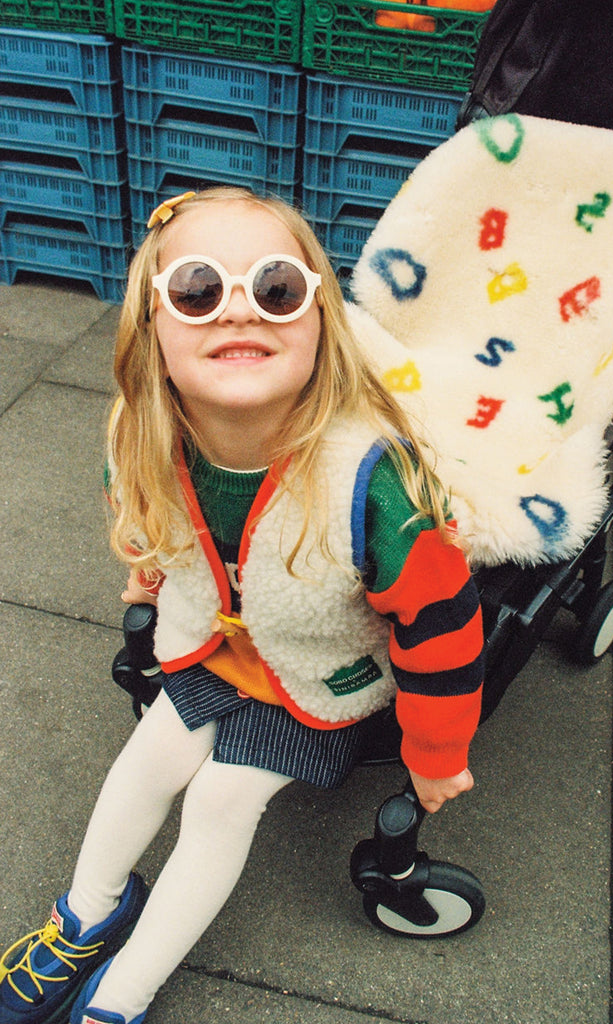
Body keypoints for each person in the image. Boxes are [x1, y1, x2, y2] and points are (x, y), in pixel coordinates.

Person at [0, 187, 484, 1024]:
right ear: (151, 329)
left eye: (276, 289)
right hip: (209, 640)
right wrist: (146, 580)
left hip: (319, 670)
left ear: (320, 319)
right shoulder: (142, 433)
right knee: (151, 755)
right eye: (195, 290)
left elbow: (442, 626)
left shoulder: (373, 481)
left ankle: (120, 998)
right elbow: (146, 523)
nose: (238, 312)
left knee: (222, 798)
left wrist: (436, 752)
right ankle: (87, 913)